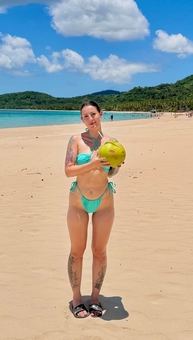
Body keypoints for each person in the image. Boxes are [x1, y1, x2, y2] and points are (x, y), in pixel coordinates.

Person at [64, 101, 121, 318]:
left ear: (101, 114)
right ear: (82, 120)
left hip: (104, 201)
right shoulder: (76, 141)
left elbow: (111, 173)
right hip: (78, 201)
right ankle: (77, 299)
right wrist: (93, 163)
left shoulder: (112, 142)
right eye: (86, 116)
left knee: (100, 251)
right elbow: (69, 171)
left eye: (94, 114)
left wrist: (115, 166)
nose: (91, 119)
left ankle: (95, 298)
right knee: (77, 251)